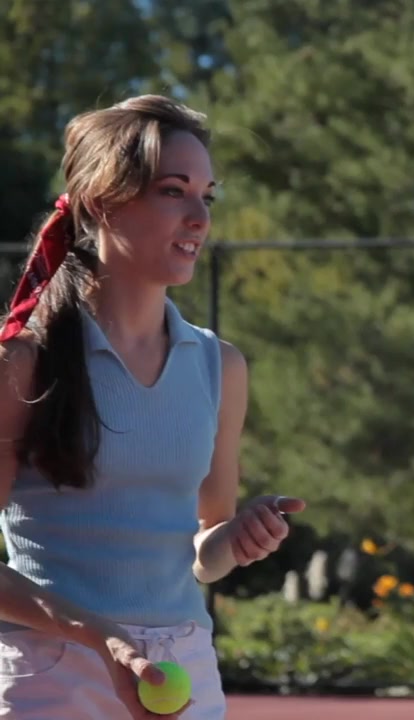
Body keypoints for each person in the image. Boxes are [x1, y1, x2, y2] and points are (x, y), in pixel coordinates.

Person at [0, 94, 305, 719]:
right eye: (173, 191)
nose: (199, 217)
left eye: (207, 196)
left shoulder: (221, 366)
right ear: (100, 202)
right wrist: (99, 636)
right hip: (52, 673)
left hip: (183, 669)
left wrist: (237, 538)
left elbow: (204, 552)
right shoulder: (23, 363)